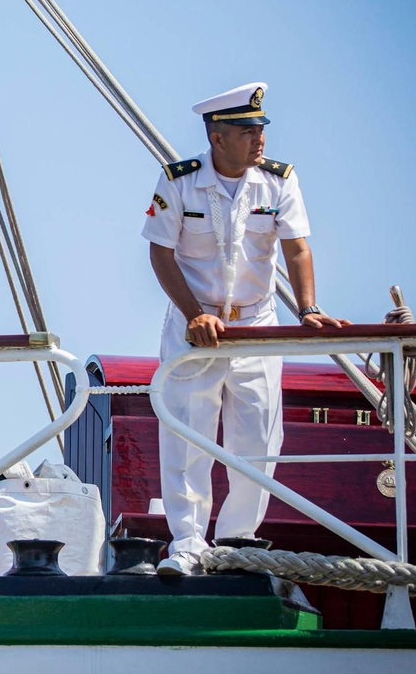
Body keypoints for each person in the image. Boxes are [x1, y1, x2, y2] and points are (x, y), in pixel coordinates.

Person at [141, 82, 348, 577]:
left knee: (257, 433)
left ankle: (236, 540)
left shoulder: (279, 181)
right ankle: (188, 543)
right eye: (248, 130)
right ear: (217, 136)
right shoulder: (179, 182)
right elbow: (159, 252)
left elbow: (297, 247)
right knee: (188, 433)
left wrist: (308, 309)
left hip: (256, 322)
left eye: (260, 129)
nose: (260, 139)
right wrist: (194, 314)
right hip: (195, 324)